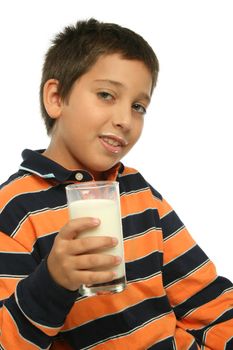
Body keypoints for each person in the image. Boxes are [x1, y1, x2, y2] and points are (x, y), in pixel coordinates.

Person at [0, 18, 232, 350]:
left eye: (138, 106)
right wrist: (52, 283)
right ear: (56, 98)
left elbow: (206, 299)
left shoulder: (137, 190)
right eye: (107, 95)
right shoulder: (14, 210)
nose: (125, 119)